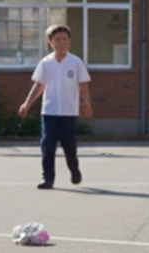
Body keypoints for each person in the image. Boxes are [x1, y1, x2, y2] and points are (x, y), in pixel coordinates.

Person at [17, 24, 93, 190]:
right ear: (51, 42)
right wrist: (27, 104)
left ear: (69, 42)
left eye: (65, 39)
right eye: (58, 40)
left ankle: (75, 171)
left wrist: (86, 104)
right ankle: (48, 179)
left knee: (69, 146)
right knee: (47, 146)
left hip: (69, 112)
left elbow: (83, 86)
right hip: (49, 111)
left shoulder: (75, 62)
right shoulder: (46, 63)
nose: (62, 43)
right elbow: (39, 86)